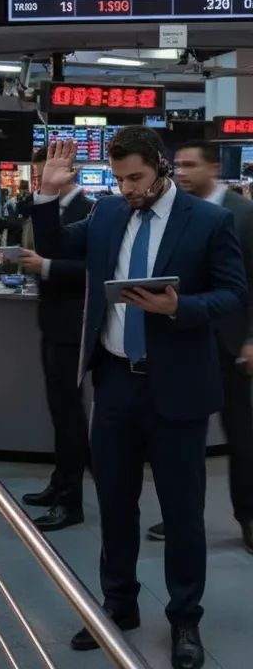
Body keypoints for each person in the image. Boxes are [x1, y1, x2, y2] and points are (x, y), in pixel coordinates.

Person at [33, 130, 246, 669]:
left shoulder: (208, 221)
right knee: (116, 504)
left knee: (182, 513)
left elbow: (233, 293)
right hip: (116, 382)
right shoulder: (107, 214)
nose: (128, 189)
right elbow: (57, 249)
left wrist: (179, 306)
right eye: (120, 179)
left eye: (137, 178)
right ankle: (118, 604)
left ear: (161, 168)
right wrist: (46, 196)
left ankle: (184, 620)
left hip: (177, 388)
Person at [150, 140, 253, 553]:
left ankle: (248, 514)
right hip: (183, 336)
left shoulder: (244, 214)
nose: (182, 172)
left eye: (190, 165)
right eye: (177, 165)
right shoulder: (172, 212)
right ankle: (180, 515)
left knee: (242, 435)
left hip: (230, 342)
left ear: (213, 168)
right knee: (181, 437)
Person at [16, 146, 92, 532]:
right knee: (59, 413)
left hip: (75, 326)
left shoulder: (93, 211)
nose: (40, 183)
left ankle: (71, 501)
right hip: (53, 323)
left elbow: (95, 271)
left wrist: (45, 267)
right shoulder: (47, 209)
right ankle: (60, 482)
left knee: (70, 415)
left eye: (45, 175)